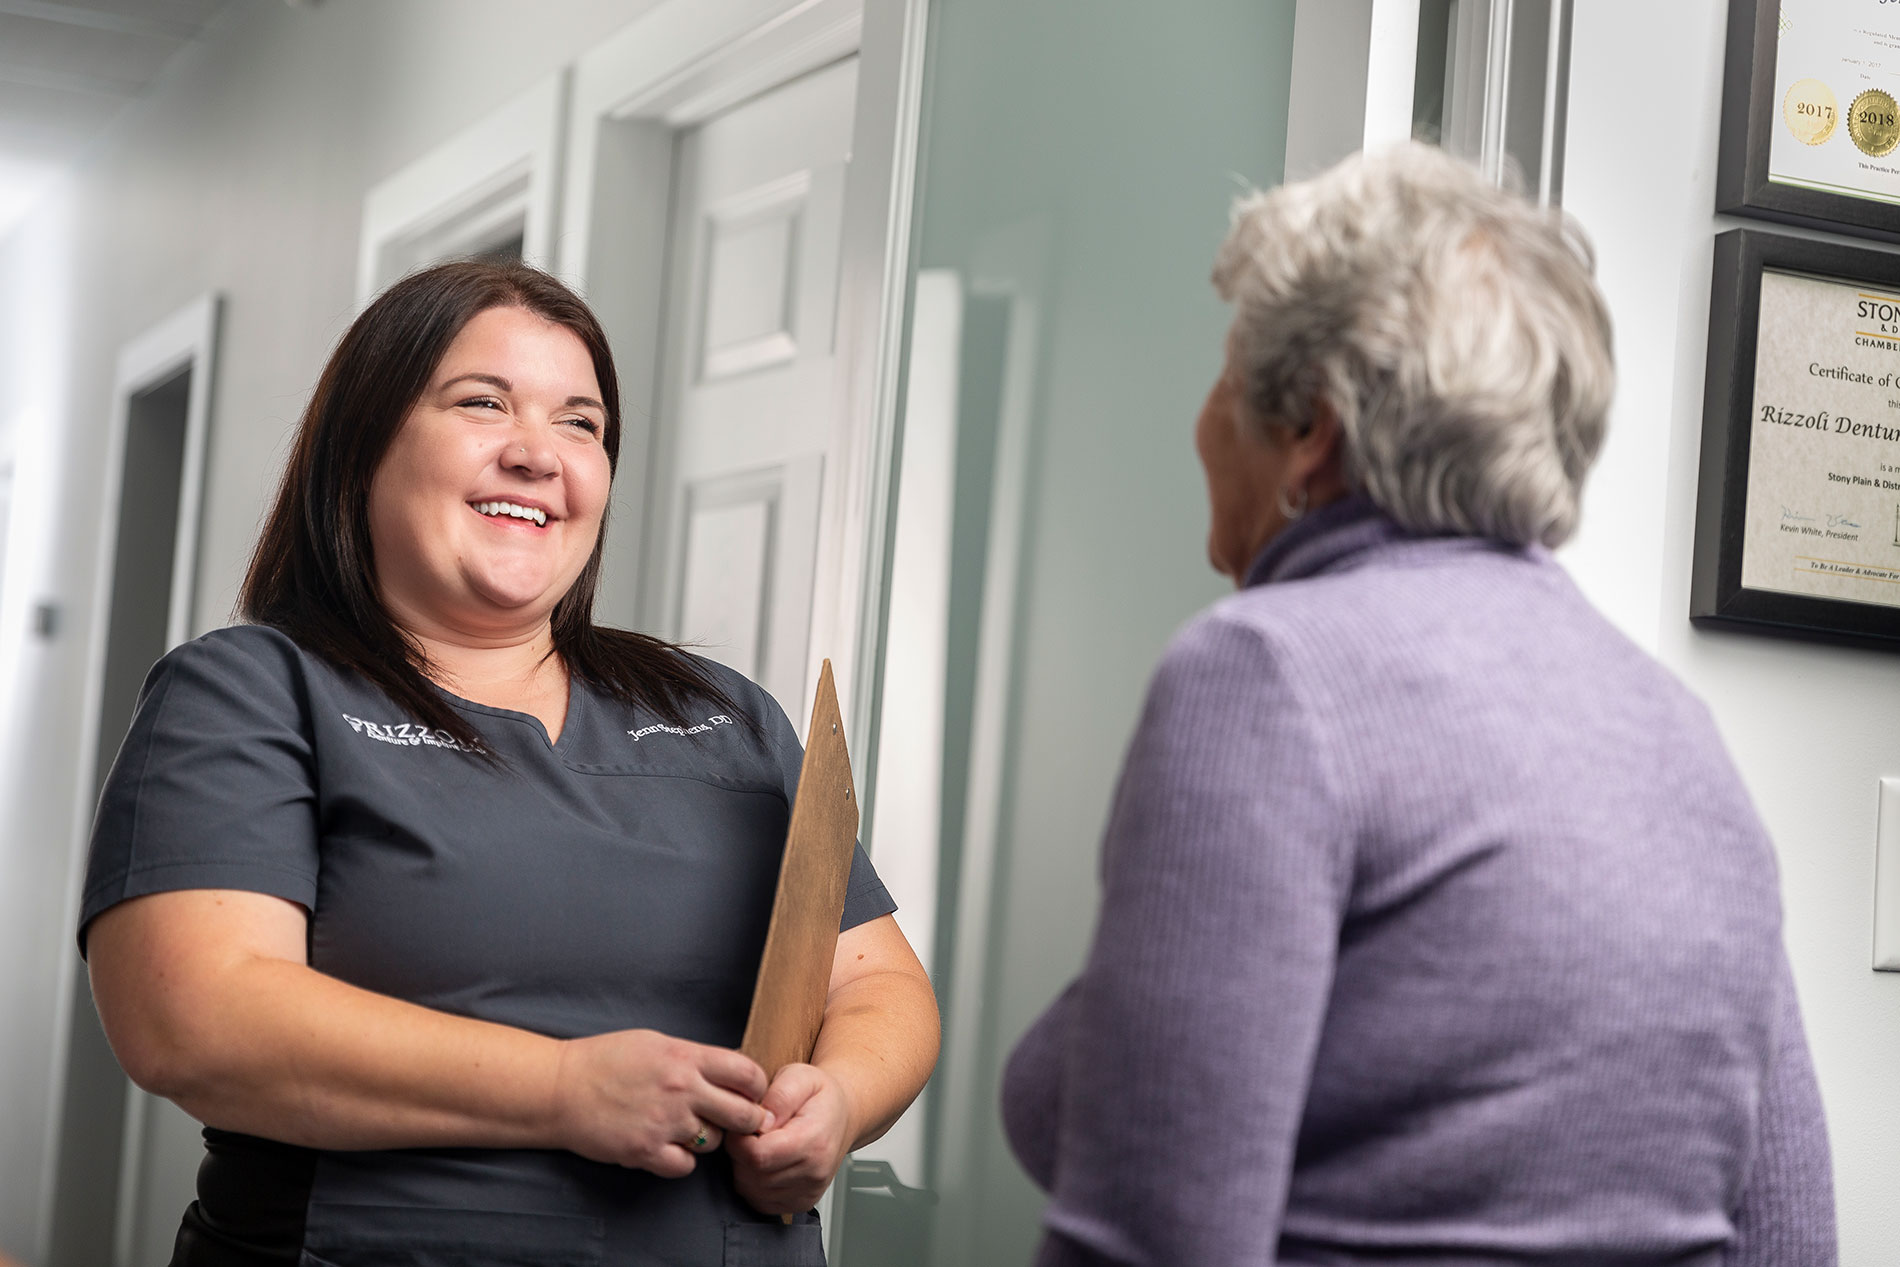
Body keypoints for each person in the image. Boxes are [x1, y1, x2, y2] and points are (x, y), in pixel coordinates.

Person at [1000, 144, 1837, 1266]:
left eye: (1224, 373)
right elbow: (1789, 1235)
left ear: (1309, 432)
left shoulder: (1265, 675)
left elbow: (1149, 1242)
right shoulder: (1673, 728)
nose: (1201, 419)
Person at [80, 260, 939, 1266]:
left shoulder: (724, 715)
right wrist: (563, 1090)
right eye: (482, 404)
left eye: (581, 424)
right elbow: (194, 1017)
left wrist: (837, 1100)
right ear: (360, 450)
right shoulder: (253, 691)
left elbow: (879, 982)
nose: (538, 454)